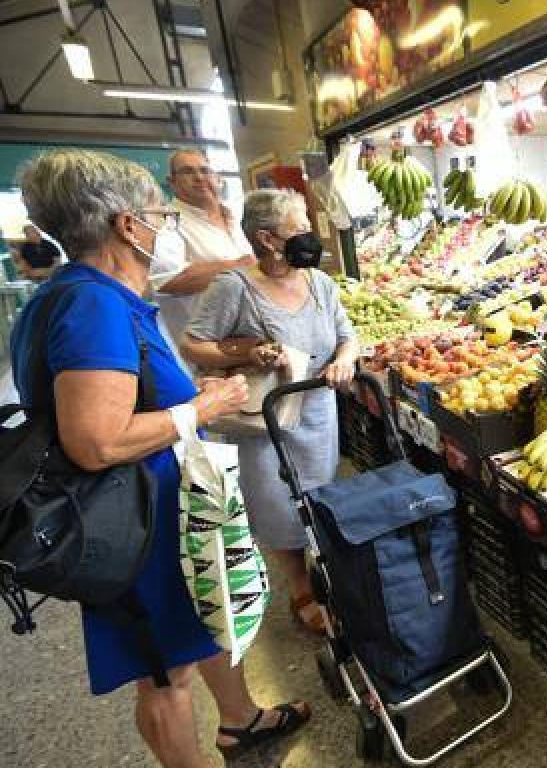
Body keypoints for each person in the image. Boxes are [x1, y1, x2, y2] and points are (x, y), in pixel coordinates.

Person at [9, 149, 310, 767]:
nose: (164, 227)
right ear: (125, 224)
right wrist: (202, 408)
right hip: (131, 523)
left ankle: (241, 720)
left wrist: (189, 395)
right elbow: (95, 441)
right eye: (157, 215)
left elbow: (121, 395)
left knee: (196, 621)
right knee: (163, 675)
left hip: (157, 512)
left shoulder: (72, 294)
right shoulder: (94, 304)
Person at [181, 188, 358, 635]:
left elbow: (347, 335)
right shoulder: (233, 288)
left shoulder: (319, 282)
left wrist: (344, 360)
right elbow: (193, 343)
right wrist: (249, 350)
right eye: (298, 229)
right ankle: (300, 590)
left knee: (316, 497)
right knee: (278, 507)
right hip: (265, 424)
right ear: (267, 239)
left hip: (317, 413)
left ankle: (327, 574)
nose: (309, 237)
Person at [155, 148, 256, 348]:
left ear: (217, 178)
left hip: (250, 342)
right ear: (171, 182)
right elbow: (168, 280)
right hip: (203, 352)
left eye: (205, 170)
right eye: (187, 172)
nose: (199, 177)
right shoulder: (165, 221)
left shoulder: (236, 216)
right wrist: (240, 266)